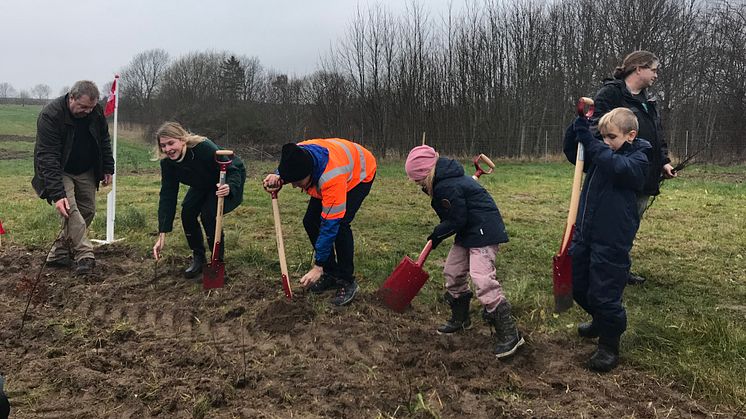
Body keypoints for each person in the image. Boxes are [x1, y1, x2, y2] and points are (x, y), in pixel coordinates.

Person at [404, 145, 524, 358]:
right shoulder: (447, 181)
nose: (418, 185)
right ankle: (461, 318)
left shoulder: (447, 186)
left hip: (484, 231)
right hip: (469, 230)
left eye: (418, 180)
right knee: (453, 271)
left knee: (482, 278)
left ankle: (510, 333)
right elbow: (456, 217)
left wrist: (437, 234)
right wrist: (442, 230)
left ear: (426, 173)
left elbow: (456, 220)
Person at [563, 108, 651, 372]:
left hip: (612, 239)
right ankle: (600, 319)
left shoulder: (639, 158)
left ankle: (609, 343)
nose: (605, 142)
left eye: (611, 137)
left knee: (605, 292)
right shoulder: (602, 151)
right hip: (586, 232)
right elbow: (574, 153)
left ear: (631, 135)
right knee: (576, 283)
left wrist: (593, 143)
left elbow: (618, 168)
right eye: (601, 137)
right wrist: (577, 127)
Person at [592, 50, 676, 285]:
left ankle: (620, 267)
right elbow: (594, 131)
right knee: (613, 222)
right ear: (639, 68)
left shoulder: (647, 100)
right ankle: (602, 266)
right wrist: (614, 160)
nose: (656, 75)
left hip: (644, 173)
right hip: (618, 174)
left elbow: (656, 133)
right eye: (654, 70)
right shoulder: (610, 94)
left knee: (630, 223)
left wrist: (664, 161)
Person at [262, 139, 376, 306]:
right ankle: (330, 273)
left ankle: (346, 281)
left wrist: (318, 265)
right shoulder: (298, 152)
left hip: (360, 174)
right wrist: (278, 175)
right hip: (334, 166)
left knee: (341, 224)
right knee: (310, 221)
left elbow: (330, 224)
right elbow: (290, 166)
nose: (294, 187)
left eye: (298, 183)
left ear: (310, 173)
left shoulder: (331, 178)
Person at [32, 80, 114, 275]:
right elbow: (48, 156)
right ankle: (85, 255)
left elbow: (103, 138)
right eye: (83, 107)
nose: (87, 111)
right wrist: (57, 193)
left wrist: (108, 167)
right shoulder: (50, 115)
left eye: (91, 107)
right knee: (71, 209)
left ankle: (59, 252)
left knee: (88, 210)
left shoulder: (96, 112)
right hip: (60, 168)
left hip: (86, 168)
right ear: (71, 97)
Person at [152, 122, 246, 280]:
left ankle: (217, 262)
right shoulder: (168, 163)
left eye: (171, 143)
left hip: (226, 177)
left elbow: (231, 170)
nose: (167, 149)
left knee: (208, 214)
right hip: (201, 182)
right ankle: (198, 258)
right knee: (187, 212)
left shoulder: (203, 147)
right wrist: (162, 234)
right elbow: (167, 195)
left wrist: (229, 186)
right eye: (163, 145)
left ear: (182, 140)